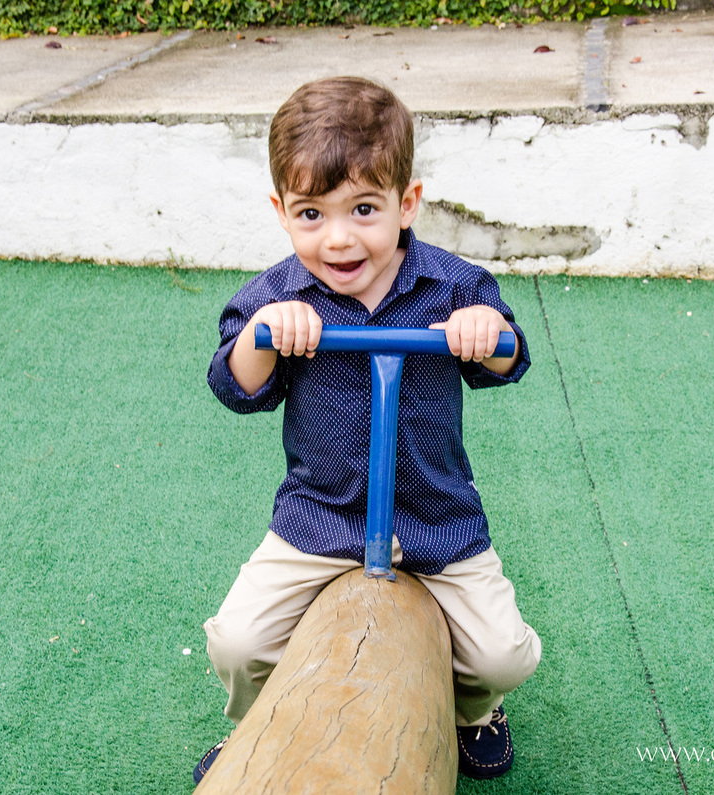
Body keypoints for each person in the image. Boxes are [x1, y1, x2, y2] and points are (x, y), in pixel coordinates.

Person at [198, 76, 542, 784]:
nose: (340, 237)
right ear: (281, 213)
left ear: (406, 203)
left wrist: (489, 332)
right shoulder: (278, 295)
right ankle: (262, 721)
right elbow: (235, 383)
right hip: (320, 516)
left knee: (502, 655)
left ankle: (472, 712)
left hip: (434, 516)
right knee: (236, 640)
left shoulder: (453, 287)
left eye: (363, 208)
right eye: (311, 214)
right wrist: (266, 335)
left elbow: (511, 359)